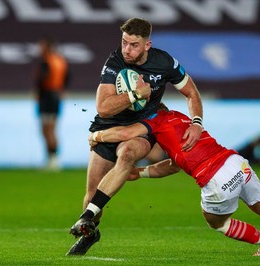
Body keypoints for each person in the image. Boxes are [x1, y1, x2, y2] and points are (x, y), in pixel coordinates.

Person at [71, 104, 260, 257]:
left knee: (216, 222)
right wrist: (141, 173)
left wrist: (98, 137)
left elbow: (127, 131)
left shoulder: (156, 121)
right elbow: (174, 166)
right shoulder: (181, 118)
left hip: (215, 178)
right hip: (235, 163)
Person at [66, 18, 203, 255]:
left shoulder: (165, 62)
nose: (126, 50)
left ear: (147, 45)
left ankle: (86, 217)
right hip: (109, 125)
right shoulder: (115, 61)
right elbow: (103, 108)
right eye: (124, 42)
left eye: (133, 45)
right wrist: (134, 94)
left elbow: (191, 93)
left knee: (128, 153)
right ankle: (91, 231)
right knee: (92, 192)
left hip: (144, 126)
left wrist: (197, 123)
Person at [34, 37, 69, 170]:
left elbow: (42, 79)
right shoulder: (60, 60)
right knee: (52, 129)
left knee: (46, 129)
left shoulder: (46, 61)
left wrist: (37, 94)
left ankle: (51, 158)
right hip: (56, 96)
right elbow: (67, 77)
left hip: (47, 97)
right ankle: (54, 159)